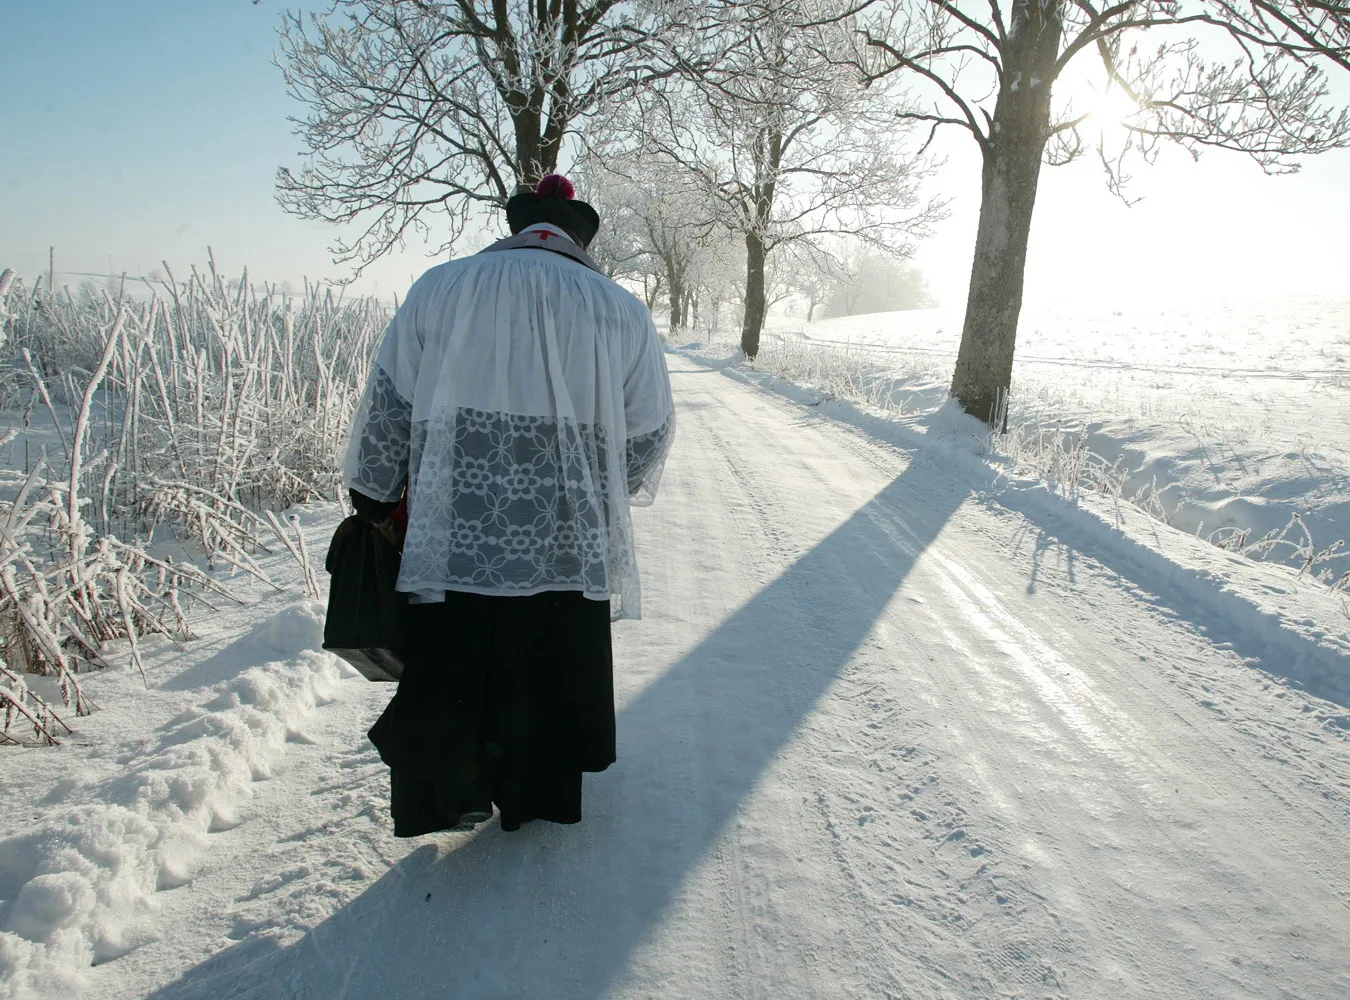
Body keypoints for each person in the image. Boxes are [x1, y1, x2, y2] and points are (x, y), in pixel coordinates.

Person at [343, 174, 675, 836]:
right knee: (550, 660)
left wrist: (373, 493)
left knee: (455, 654)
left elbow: (389, 402)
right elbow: (650, 429)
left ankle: (447, 793)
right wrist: (608, 491)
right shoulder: (619, 310)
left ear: (520, 226)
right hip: (567, 532)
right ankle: (536, 792)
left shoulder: (441, 287)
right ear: (579, 235)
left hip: (454, 522)